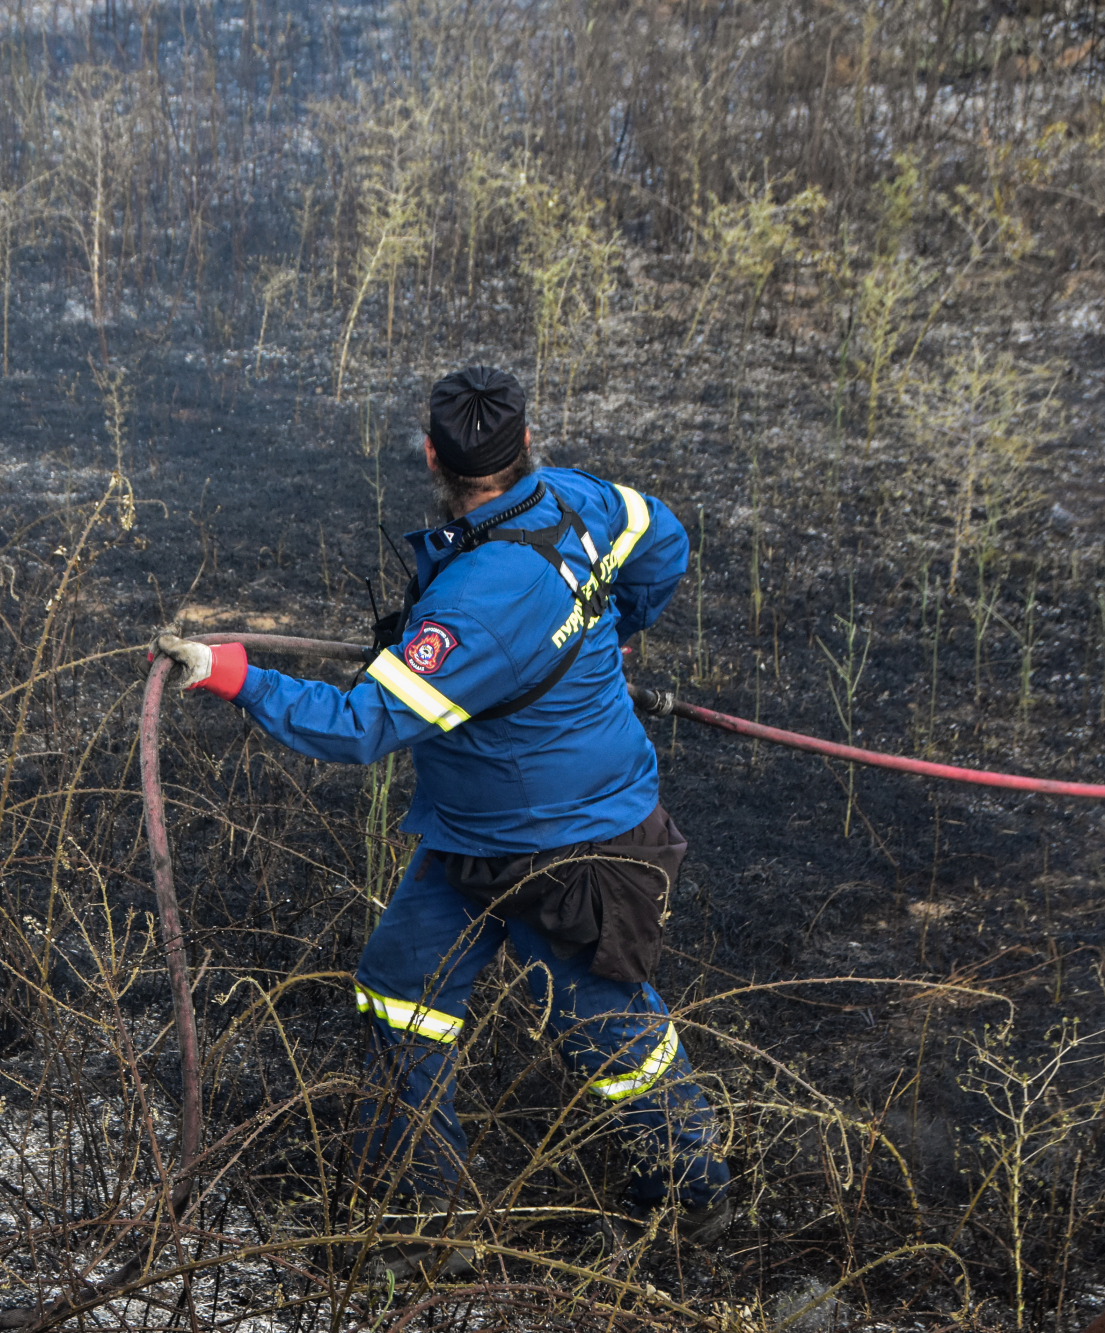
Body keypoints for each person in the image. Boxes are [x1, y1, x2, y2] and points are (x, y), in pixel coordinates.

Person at [152, 366, 732, 1279]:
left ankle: (692, 1190)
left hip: (568, 849)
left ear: (432, 454)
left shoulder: (476, 606)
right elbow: (665, 540)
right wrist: (616, 623)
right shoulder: (582, 499)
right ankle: (434, 1215)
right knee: (399, 986)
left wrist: (235, 675)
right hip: (474, 830)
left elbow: (360, 726)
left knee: (611, 1032)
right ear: (527, 443)